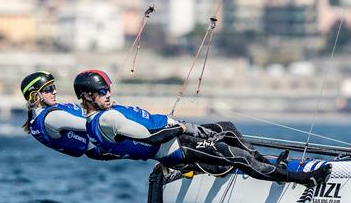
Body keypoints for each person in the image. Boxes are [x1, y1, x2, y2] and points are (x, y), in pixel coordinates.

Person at [76, 69, 332, 186]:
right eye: (101, 92)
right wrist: (183, 129)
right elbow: (152, 137)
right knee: (238, 156)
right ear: (87, 96)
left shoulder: (105, 113)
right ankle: (303, 180)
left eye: (108, 89)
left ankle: (269, 167)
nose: (108, 94)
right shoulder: (106, 120)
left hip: (177, 137)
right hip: (176, 148)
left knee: (228, 128)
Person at [20, 71, 110, 159]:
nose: (54, 92)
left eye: (54, 87)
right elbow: (96, 126)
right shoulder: (52, 118)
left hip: (98, 144)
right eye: (49, 89)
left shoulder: (36, 117)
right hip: (103, 145)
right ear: (35, 95)